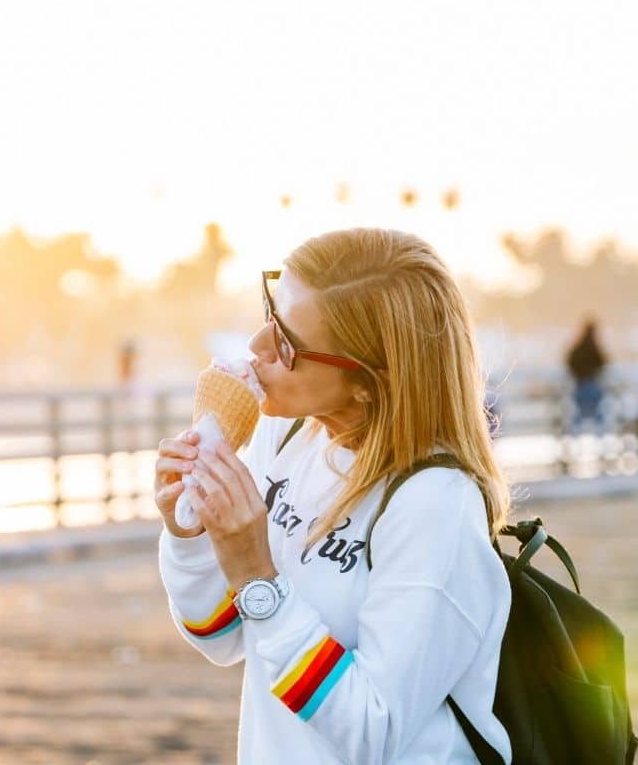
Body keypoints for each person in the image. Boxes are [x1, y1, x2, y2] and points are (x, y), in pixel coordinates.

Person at [154, 229, 513, 763]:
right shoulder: (287, 436)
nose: (256, 346)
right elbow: (221, 637)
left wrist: (258, 573)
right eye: (270, 312)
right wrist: (191, 530)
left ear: (370, 381)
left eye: (288, 344)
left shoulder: (434, 504)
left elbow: (374, 732)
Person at [565, 317, 607, 433]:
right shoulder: (593, 347)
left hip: (580, 384)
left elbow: (569, 361)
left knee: (580, 413)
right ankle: (600, 435)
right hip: (589, 384)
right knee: (596, 412)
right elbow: (603, 362)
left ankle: (574, 435)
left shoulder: (578, 347)